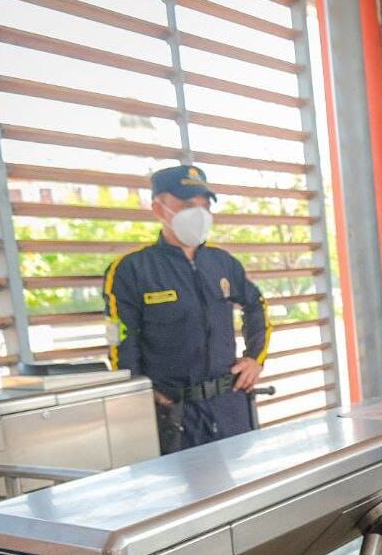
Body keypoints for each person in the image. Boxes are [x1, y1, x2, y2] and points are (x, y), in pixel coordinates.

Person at [103, 164, 272, 454]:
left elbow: (256, 306)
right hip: (173, 414)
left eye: (205, 206)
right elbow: (121, 340)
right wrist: (139, 394)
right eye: (187, 205)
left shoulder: (223, 263)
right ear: (159, 209)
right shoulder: (132, 269)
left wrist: (255, 358)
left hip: (229, 406)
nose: (199, 214)